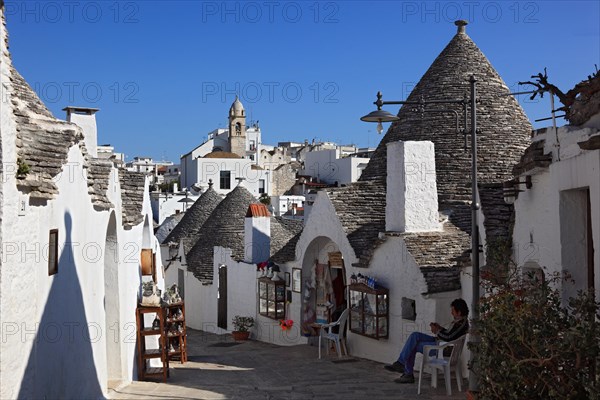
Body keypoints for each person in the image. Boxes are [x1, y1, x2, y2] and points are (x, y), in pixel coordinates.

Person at [384, 298, 469, 384]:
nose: (451, 313)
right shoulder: (459, 321)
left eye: (453, 311)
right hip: (440, 342)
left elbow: (449, 337)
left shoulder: (462, 324)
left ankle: (407, 372)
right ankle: (401, 364)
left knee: (414, 346)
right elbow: (449, 334)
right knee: (415, 335)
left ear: (459, 312)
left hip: (443, 349)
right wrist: (439, 328)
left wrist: (437, 331)